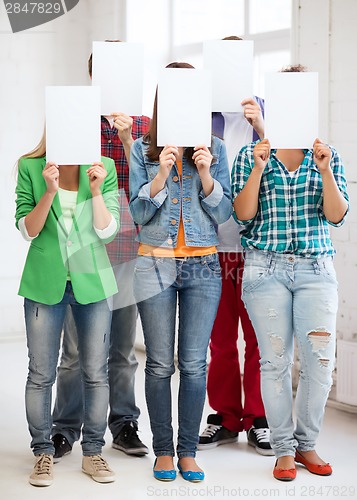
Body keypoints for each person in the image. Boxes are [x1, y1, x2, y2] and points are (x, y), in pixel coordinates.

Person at [231, 108, 349, 478]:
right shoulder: (251, 156)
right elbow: (242, 216)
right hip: (265, 269)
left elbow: (337, 215)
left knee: (319, 365)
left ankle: (307, 445)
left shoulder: (326, 155)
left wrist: (325, 169)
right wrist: (258, 168)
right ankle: (284, 448)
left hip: (316, 270)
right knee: (275, 363)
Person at [129, 62, 232, 482]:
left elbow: (223, 214)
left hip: (204, 265)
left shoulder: (217, 149)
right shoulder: (142, 148)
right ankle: (164, 451)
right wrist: (161, 175)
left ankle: (187, 451)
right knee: (158, 364)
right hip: (154, 262)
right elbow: (136, 212)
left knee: (193, 364)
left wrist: (205, 173)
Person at [51, 42, 150, 461]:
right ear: (94, 78)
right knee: (74, 349)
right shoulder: (76, 121)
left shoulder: (146, 125)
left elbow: (148, 185)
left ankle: (124, 424)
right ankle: (64, 427)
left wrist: (129, 138)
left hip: (127, 246)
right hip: (84, 247)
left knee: (123, 347)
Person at [15, 131, 120, 486]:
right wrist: (49, 191)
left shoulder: (102, 167)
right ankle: (42, 452)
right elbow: (29, 230)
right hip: (45, 284)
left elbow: (107, 231)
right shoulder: (31, 167)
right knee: (41, 373)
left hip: (92, 282)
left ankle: (93, 452)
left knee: (95, 371)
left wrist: (94, 192)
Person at [198, 35, 273, 456]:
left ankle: (259, 417)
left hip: (259, 248)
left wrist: (265, 127)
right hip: (213, 246)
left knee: (261, 337)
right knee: (221, 340)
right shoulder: (199, 116)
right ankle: (226, 417)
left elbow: (287, 167)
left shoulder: (266, 109)